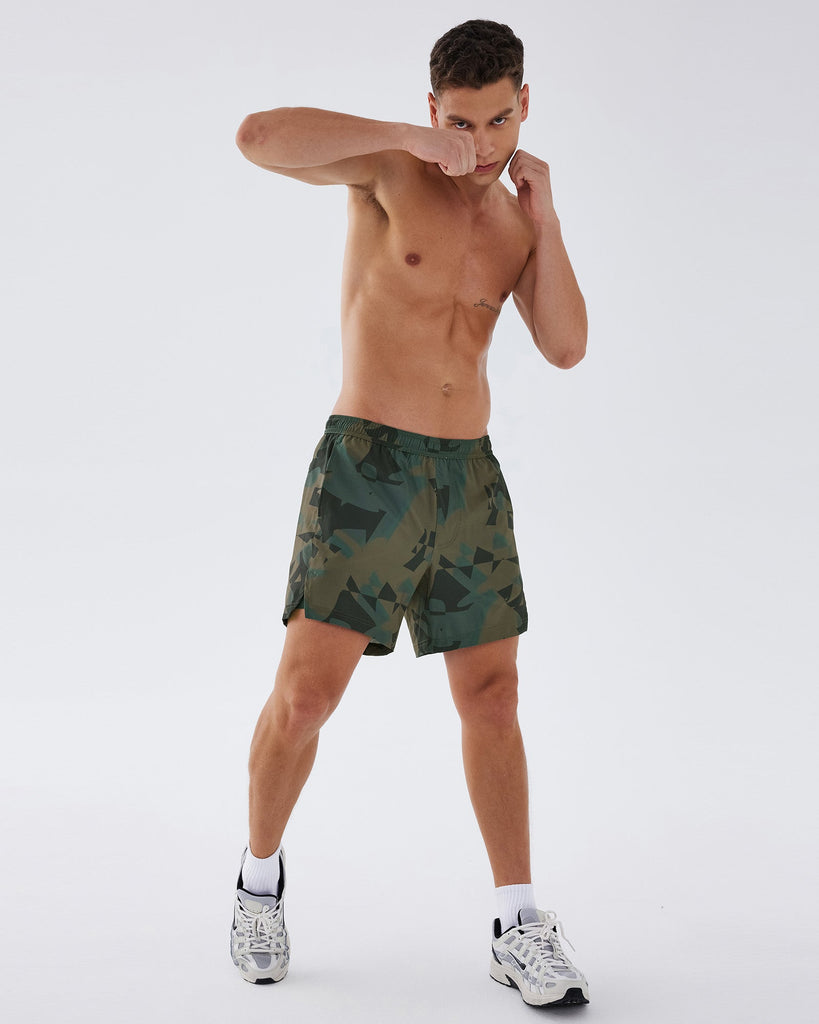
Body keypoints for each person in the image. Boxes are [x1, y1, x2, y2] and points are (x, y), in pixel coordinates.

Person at [229, 19, 589, 1008]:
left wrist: (547, 218)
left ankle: (517, 923)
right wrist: (407, 137)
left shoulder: (517, 221)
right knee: (306, 698)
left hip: (467, 479)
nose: (481, 144)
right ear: (434, 110)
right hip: (366, 470)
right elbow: (257, 137)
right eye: (461, 123)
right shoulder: (390, 170)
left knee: (494, 701)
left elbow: (565, 346)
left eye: (499, 120)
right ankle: (258, 884)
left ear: (525, 105)